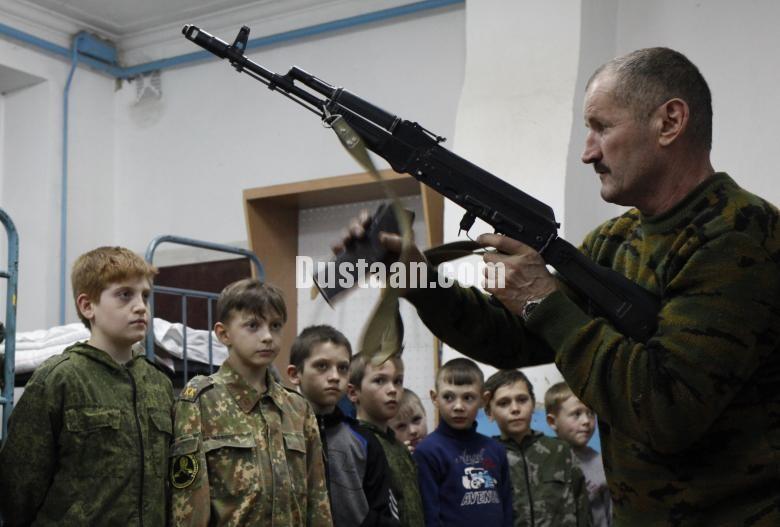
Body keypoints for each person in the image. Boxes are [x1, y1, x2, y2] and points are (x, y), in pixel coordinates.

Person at [337, 47, 780, 525]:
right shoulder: (615, 241)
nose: (588, 152)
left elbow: (665, 408)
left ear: (669, 121)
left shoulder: (739, 233)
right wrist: (418, 277)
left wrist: (543, 298)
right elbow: (512, 338)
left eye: (602, 128)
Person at [0, 246, 174, 526]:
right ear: (87, 306)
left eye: (145, 295)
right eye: (124, 295)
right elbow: (19, 485)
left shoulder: (159, 383)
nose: (141, 306)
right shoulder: (59, 378)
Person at [169, 278, 332, 526]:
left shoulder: (297, 408)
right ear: (224, 334)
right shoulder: (201, 402)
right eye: (253, 325)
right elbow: (189, 503)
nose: (267, 336)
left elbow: (317, 497)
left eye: (276, 326)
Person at [288, 324, 399, 527]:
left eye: (343, 368)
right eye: (322, 366)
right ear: (295, 374)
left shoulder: (364, 441)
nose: (334, 376)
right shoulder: (280, 435)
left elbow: (382, 513)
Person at [483, 370, 590, 527]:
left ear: (533, 404)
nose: (515, 409)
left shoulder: (560, 450)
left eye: (522, 400)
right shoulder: (484, 457)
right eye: (503, 403)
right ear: (489, 412)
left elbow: (582, 508)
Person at [413, 358, 512, 527]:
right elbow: (430, 516)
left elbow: (507, 508)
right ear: (435, 398)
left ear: (484, 400)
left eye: (468, 397)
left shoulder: (496, 450)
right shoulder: (427, 451)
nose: (458, 406)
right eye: (448, 397)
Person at [348, 352, 425, 527]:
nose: (392, 389)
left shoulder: (399, 447)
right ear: (353, 392)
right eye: (380, 380)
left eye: (398, 381)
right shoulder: (355, 444)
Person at [545, 382, 611, 527]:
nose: (586, 421)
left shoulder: (603, 464)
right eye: (576, 414)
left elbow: (610, 514)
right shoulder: (541, 463)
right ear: (552, 421)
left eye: (590, 413)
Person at [388, 388, 428, 454]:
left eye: (416, 419)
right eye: (401, 426)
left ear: (425, 414)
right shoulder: (388, 459)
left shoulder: (438, 448)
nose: (413, 431)